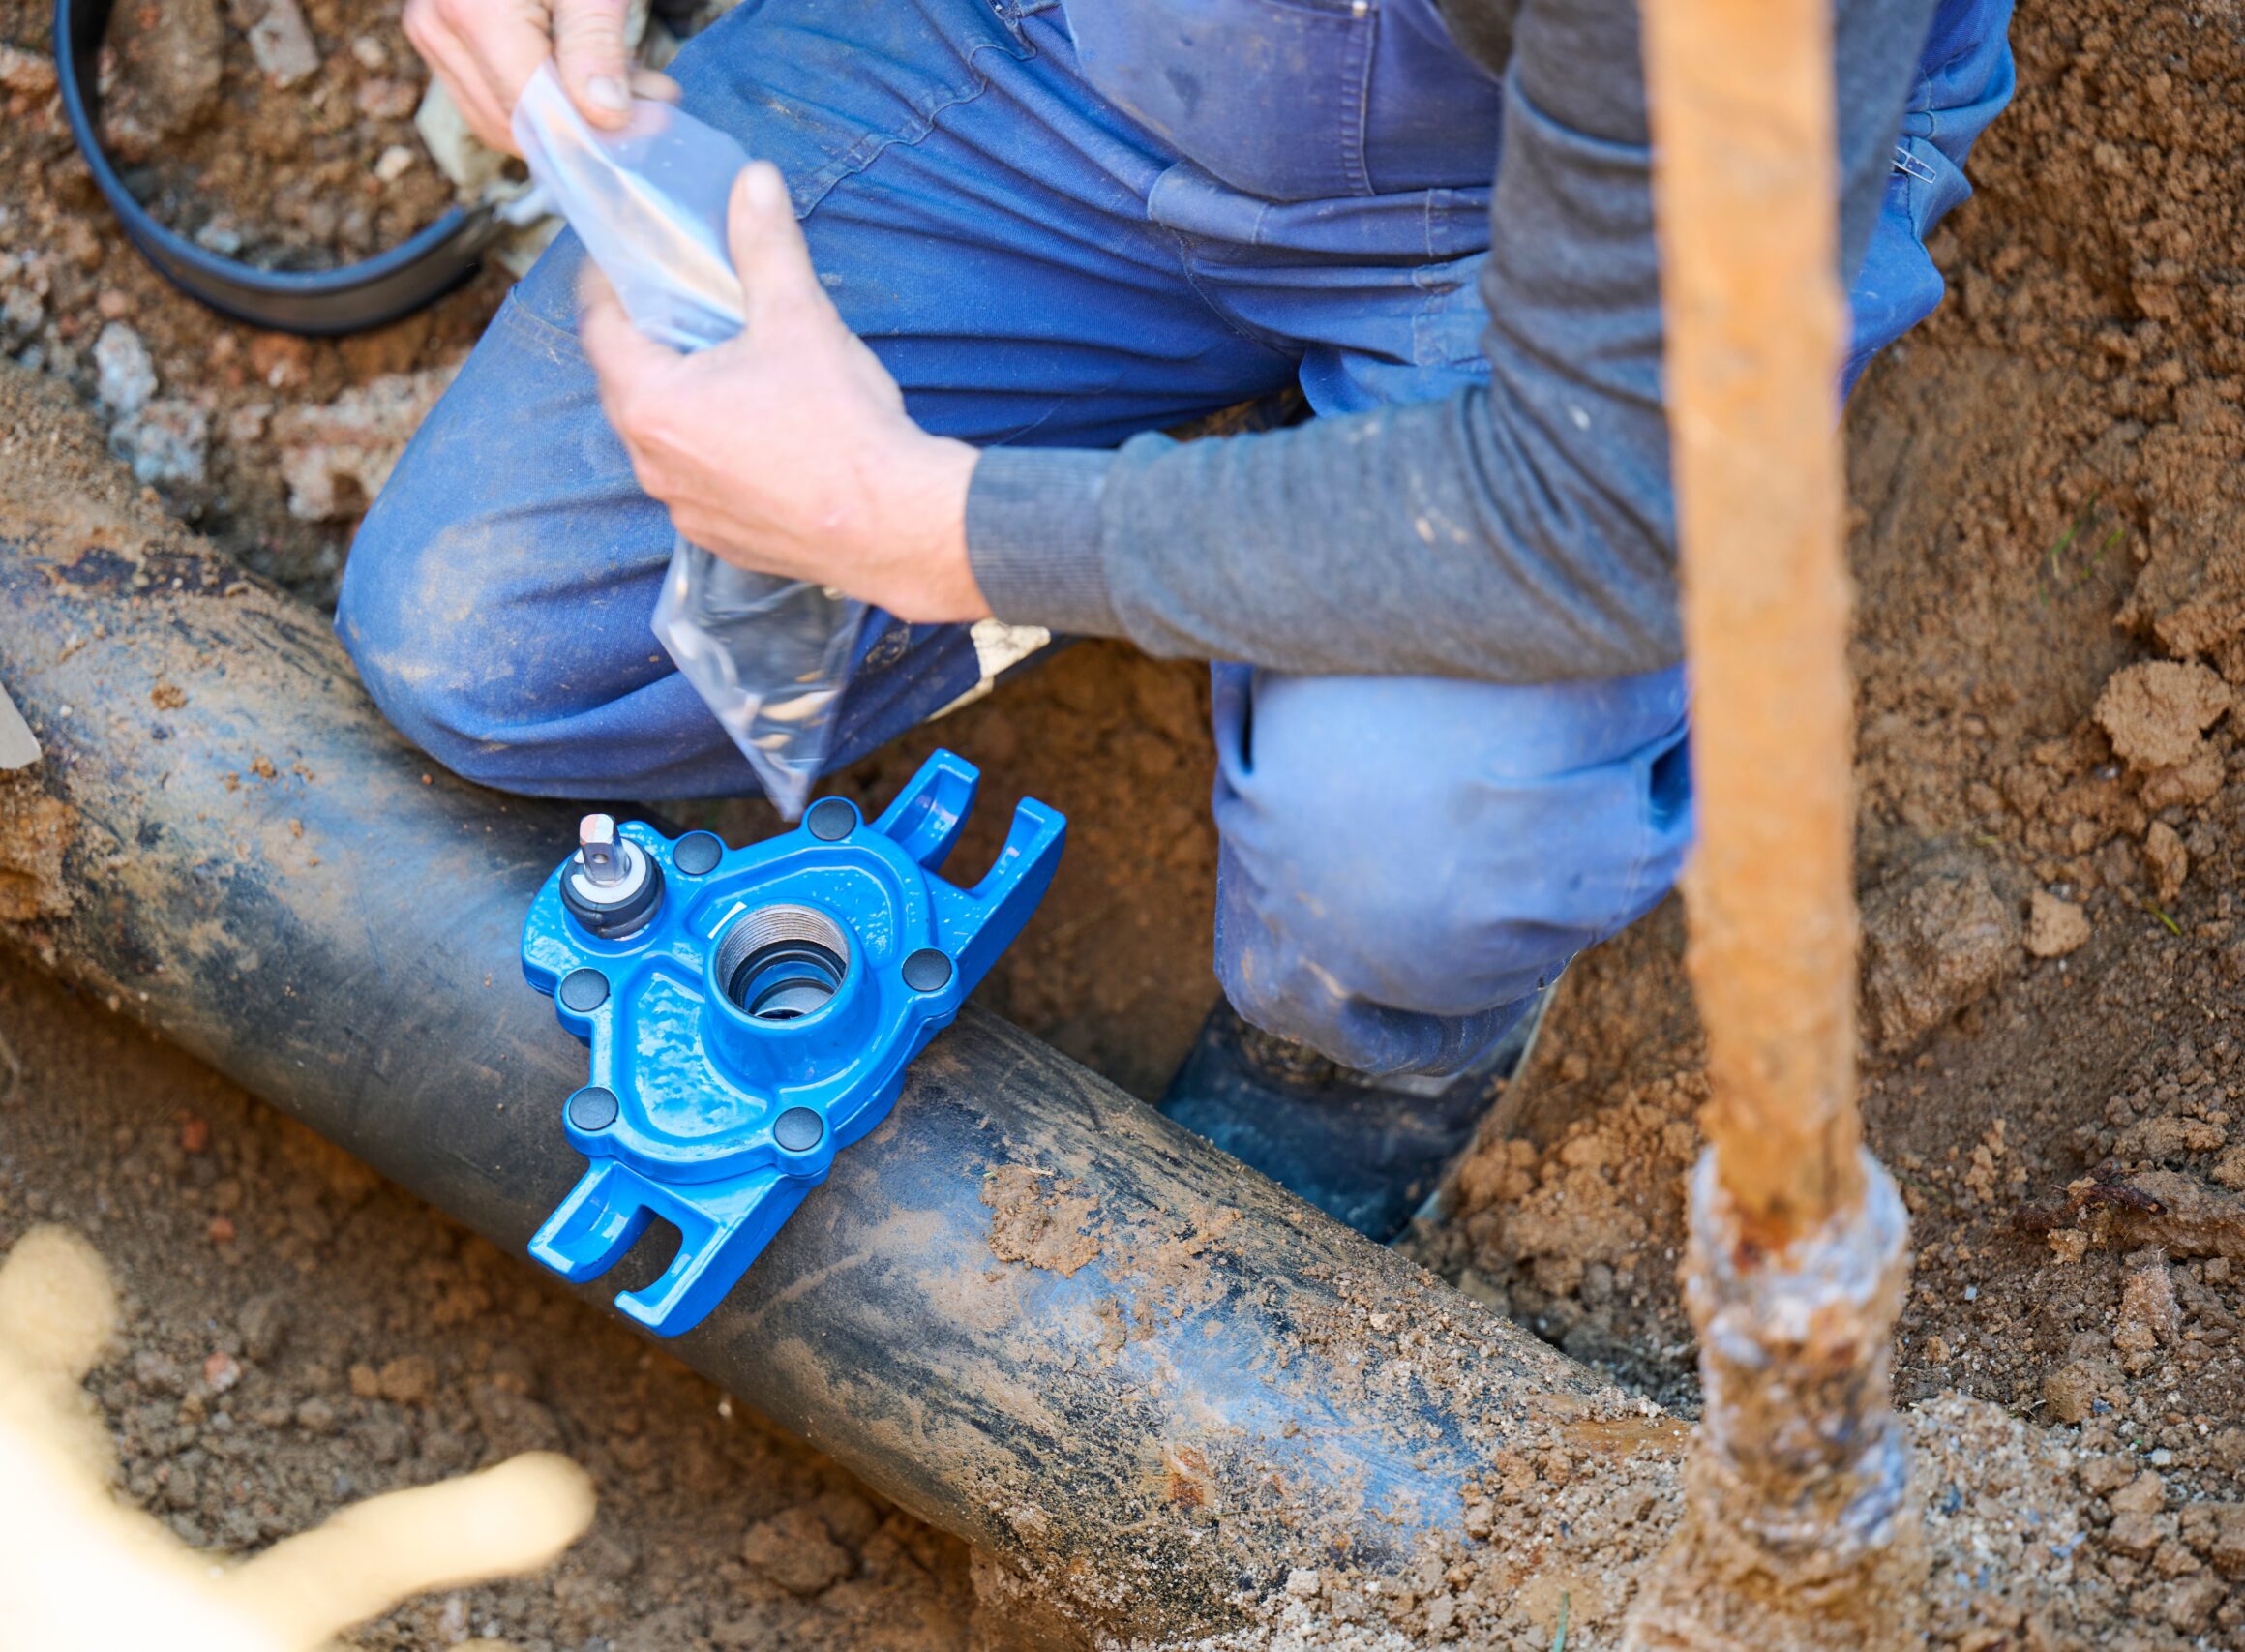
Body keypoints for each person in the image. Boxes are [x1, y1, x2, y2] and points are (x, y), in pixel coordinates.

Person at [341, 0, 2014, 1240]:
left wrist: (937, 525)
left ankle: (1368, 1052)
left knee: (1415, 853)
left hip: (1583, 215)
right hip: (1050, 58)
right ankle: (1208, 483)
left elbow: (1591, 511)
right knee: (496, 643)